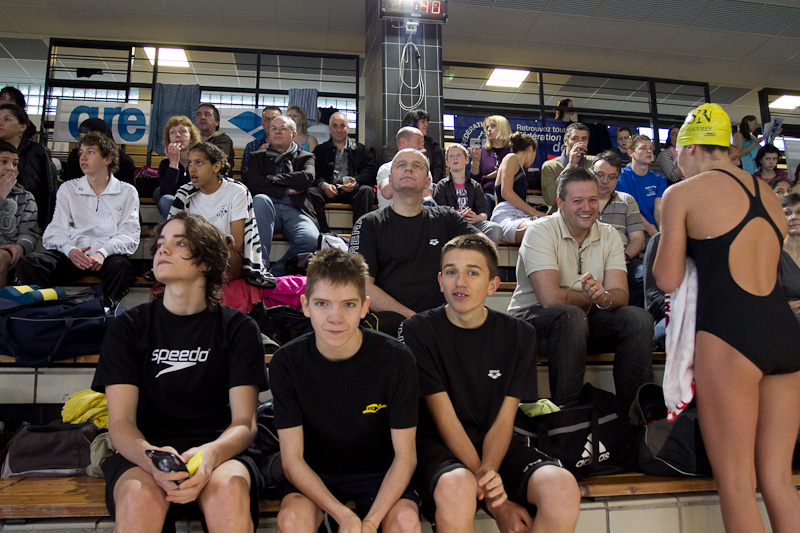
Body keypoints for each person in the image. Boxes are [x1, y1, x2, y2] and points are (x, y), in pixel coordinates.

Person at [653, 103, 800, 532]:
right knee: (779, 479)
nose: (676, 163)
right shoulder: (767, 194)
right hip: (784, 335)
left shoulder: (683, 193)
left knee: (737, 484)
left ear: (691, 147)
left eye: (676, 153)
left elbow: (666, 279)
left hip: (730, 336)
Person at [91, 211, 267, 532]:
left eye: (180, 242)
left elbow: (244, 423)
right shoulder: (128, 327)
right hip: (146, 450)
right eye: (160, 243)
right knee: (138, 497)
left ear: (206, 261)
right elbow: (120, 424)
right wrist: (152, 458)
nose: (163, 249)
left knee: (229, 491)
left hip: (219, 451)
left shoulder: (239, 329)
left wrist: (210, 455)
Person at [400, 234, 581, 533]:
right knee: (457, 487)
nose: (460, 282)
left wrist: (488, 471)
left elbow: (505, 419)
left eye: (472, 272)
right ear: (440, 281)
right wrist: (498, 502)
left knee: (561, 488)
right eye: (451, 272)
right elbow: (445, 419)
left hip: (497, 447)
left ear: (492, 285)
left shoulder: (520, 334)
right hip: (440, 447)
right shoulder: (418, 330)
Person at [270, 249, 420, 533]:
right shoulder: (287, 362)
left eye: (348, 304)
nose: (335, 317)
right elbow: (292, 460)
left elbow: (405, 457)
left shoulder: (397, 359)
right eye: (322, 304)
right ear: (305, 305)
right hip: (315, 472)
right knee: (291, 522)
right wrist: (343, 516)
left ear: (365, 307)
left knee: (405, 522)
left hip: (380, 471)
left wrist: (371, 522)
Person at [508, 166, 653, 410]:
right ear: (560, 203)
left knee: (639, 319)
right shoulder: (539, 231)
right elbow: (550, 299)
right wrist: (596, 299)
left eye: (592, 200)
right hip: (532, 323)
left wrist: (604, 298)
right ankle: (569, 415)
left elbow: (620, 295)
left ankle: (633, 417)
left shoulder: (610, 234)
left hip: (584, 320)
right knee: (571, 316)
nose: (587, 207)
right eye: (577, 201)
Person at [349, 148, 478, 336]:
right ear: (390, 179)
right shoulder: (369, 224)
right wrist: (414, 319)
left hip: (443, 322)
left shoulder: (446, 219)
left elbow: (485, 249)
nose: (408, 169)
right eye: (401, 165)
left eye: (417, 166)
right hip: (389, 327)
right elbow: (362, 286)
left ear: (428, 182)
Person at [16, 132, 139, 305]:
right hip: (73, 254)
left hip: (106, 256)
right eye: (81, 153)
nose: (83, 157)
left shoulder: (127, 191)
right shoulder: (68, 189)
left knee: (121, 267)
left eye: (90, 152)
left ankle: (105, 311)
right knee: (30, 263)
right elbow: (56, 230)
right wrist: (70, 250)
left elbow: (129, 234)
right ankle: (48, 311)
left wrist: (102, 253)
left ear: (107, 159)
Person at [168, 142, 271, 287]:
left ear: (216, 167)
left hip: (226, 254)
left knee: (215, 256)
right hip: (194, 252)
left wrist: (209, 241)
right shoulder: (184, 193)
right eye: (190, 163)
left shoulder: (237, 191)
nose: (192, 168)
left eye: (199, 163)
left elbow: (236, 245)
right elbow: (173, 237)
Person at [243, 115, 319, 276]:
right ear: (269, 134)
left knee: (311, 239)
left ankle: (276, 273)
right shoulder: (257, 157)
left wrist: (272, 179)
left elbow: (306, 179)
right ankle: (260, 266)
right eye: (273, 128)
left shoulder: (305, 157)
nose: (277, 132)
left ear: (293, 134)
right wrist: (285, 190)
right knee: (260, 199)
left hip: (295, 209)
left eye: (282, 128)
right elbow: (254, 183)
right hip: (266, 209)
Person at [593, 151, 646, 308]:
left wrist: (623, 257)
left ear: (617, 179)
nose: (605, 181)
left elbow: (638, 239)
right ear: (590, 174)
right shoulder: (581, 201)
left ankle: (630, 316)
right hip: (587, 259)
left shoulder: (627, 201)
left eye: (611, 177)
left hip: (623, 259)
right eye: (600, 175)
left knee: (643, 277)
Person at [308, 111, 377, 232]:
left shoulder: (361, 150)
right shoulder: (320, 150)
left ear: (348, 128)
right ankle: (323, 234)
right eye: (335, 126)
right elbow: (313, 171)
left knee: (366, 190)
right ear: (330, 129)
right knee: (311, 192)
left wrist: (356, 181)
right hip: (329, 190)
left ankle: (359, 234)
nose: (339, 130)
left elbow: (371, 171)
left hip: (352, 190)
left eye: (342, 126)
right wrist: (323, 185)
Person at [0, 103, 57, 228]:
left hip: (31, 220)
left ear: (22, 126)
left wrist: (46, 225)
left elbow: (49, 190)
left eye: (7, 119)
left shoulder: (38, 152)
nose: (1, 123)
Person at [434, 144, 502, 244]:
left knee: (495, 228)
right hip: (451, 227)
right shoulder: (442, 186)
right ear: (447, 163)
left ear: (466, 160)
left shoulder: (475, 186)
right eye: (451, 156)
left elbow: (483, 213)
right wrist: (454, 215)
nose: (455, 158)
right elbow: (439, 214)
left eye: (459, 155)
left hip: (472, 225)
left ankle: (482, 253)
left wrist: (477, 218)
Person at [489, 133, 546, 244]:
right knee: (538, 229)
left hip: (521, 216)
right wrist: (535, 212)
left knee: (550, 227)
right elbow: (506, 192)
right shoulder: (511, 158)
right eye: (535, 153)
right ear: (531, 148)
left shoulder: (522, 170)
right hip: (506, 216)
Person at [0, 141, 38, 288]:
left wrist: (20, 247)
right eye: (3, 161)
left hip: (7, 251)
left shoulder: (25, 197)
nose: (10, 168)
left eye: (15, 164)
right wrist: (1, 196)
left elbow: (30, 233)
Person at [616, 134, 666, 237]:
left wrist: (662, 235)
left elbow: (659, 210)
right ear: (631, 153)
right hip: (630, 227)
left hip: (653, 227)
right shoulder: (621, 177)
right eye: (643, 148)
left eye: (651, 148)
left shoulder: (659, 180)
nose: (649, 151)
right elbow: (631, 210)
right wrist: (653, 234)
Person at [540, 122, 595, 213]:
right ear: (565, 141)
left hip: (586, 214)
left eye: (584, 139)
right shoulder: (550, 166)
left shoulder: (594, 163)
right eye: (575, 138)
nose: (580, 142)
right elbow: (550, 199)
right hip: (559, 215)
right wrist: (570, 166)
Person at [62, 117, 136, 185]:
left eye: (89, 139)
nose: (84, 143)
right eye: (81, 138)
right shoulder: (75, 157)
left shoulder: (124, 161)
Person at [156, 116, 202, 220]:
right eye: (172, 132)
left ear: (191, 138)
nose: (177, 135)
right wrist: (173, 163)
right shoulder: (165, 164)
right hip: (175, 209)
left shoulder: (200, 162)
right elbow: (166, 194)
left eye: (183, 131)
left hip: (198, 205)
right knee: (166, 201)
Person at [377, 127, 434, 209]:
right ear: (403, 142)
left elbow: (427, 197)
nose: (422, 147)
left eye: (422, 143)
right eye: (418, 142)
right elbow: (387, 193)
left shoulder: (424, 169)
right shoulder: (386, 168)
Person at [468, 115, 513, 205]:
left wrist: (502, 174)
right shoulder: (483, 152)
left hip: (509, 197)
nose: (489, 129)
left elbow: (522, 176)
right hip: (487, 196)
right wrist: (475, 162)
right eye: (487, 127)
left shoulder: (513, 152)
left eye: (493, 126)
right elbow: (474, 181)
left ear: (503, 128)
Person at [403, 109, 444, 183]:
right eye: (423, 121)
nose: (426, 125)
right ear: (413, 123)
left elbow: (438, 165)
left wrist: (434, 183)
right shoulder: (396, 142)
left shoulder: (432, 144)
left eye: (427, 122)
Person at [241, 106, 281, 174]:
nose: (270, 123)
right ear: (262, 123)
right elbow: (244, 174)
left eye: (274, 119)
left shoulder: (291, 146)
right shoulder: (251, 146)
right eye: (267, 119)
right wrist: (257, 157)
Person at [195, 103, 235, 172]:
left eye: (207, 114)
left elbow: (217, 159)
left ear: (217, 122)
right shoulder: (189, 139)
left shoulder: (224, 140)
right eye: (198, 115)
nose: (202, 117)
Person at [780, 193, 800, 322]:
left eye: (799, 212)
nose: (793, 217)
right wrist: (784, 307)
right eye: (787, 213)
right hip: (786, 318)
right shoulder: (775, 254)